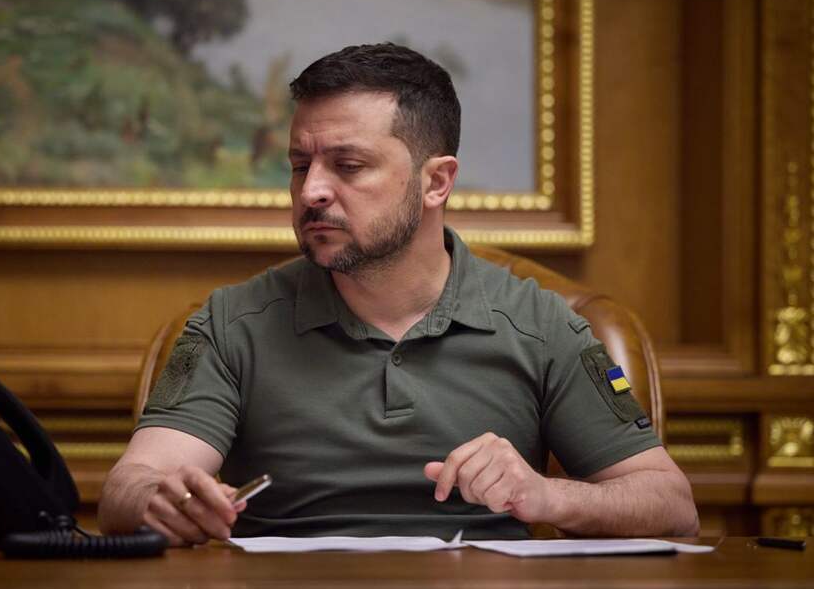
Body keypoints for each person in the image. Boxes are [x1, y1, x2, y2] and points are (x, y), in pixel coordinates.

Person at [99, 43, 699, 545]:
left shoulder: (542, 324)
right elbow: (130, 485)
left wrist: (546, 495)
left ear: (436, 181)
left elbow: (671, 504)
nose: (311, 192)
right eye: (300, 165)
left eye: (348, 165)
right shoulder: (231, 322)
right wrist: (160, 500)